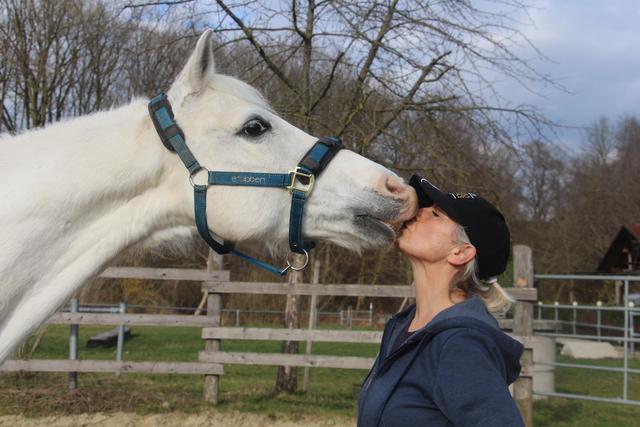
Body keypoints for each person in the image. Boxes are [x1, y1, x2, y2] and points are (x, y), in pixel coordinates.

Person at [357, 174, 525, 427]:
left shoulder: (461, 343)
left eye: (435, 214)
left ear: (460, 252)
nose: (418, 211)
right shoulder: (404, 328)